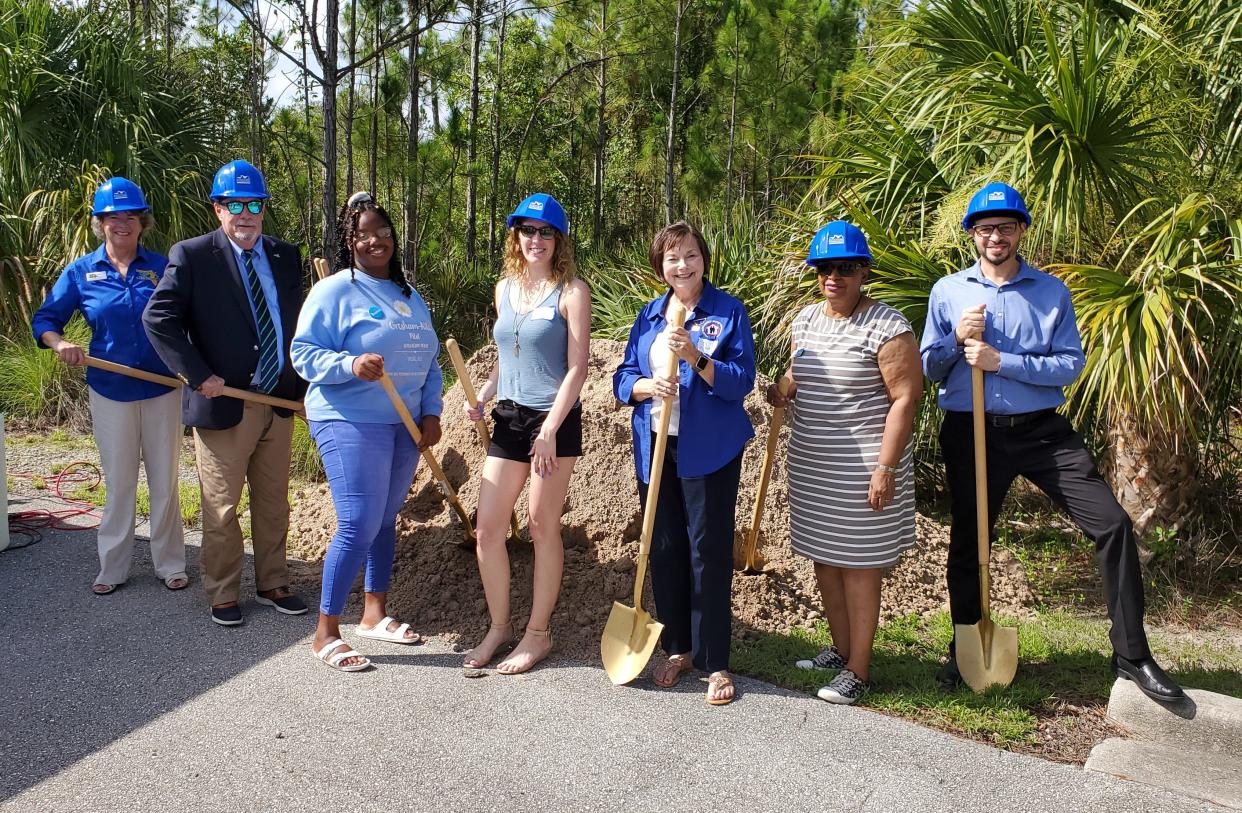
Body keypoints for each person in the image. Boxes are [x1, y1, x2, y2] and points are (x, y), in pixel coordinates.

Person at [921, 182, 1184, 703]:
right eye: (986, 227)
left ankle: (1132, 655)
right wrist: (956, 340)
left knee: (1112, 525)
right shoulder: (949, 292)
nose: (996, 236)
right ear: (972, 234)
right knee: (970, 540)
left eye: (1006, 226)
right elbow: (930, 366)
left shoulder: (1050, 293)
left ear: (1021, 231)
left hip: (1042, 431)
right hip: (971, 432)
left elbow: (1069, 364)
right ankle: (965, 644)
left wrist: (1002, 362)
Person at [143, 159, 309, 627]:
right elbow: (159, 319)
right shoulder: (193, 256)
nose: (245, 213)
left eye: (253, 203)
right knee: (222, 507)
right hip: (223, 403)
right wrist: (198, 375)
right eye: (234, 204)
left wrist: (299, 390)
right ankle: (222, 592)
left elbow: (294, 325)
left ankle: (274, 581)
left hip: (276, 402)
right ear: (218, 208)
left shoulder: (284, 255)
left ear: (263, 208)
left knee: (275, 500)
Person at [766, 221, 921, 705]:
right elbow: (796, 375)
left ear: (864, 271)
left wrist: (886, 467)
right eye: (825, 268)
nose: (834, 276)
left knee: (859, 566)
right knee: (825, 559)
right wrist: (780, 388)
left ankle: (859, 668)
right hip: (814, 463)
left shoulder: (889, 327)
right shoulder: (806, 320)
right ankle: (839, 648)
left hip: (863, 468)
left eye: (846, 268)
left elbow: (906, 398)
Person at [290, 192, 443, 671]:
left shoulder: (409, 296)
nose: (374, 240)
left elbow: (430, 361)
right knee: (358, 520)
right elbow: (303, 353)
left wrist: (433, 413)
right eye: (362, 233)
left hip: (404, 424)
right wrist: (349, 363)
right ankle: (325, 632)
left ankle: (373, 613)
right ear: (348, 241)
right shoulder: (334, 291)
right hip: (348, 418)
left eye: (381, 230)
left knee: (384, 518)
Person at [613, 221, 756, 705]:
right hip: (656, 446)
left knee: (707, 551)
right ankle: (678, 648)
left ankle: (715, 661)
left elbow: (740, 382)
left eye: (691, 255)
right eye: (673, 258)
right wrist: (644, 387)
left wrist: (695, 356)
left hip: (709, 448)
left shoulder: (728, 311)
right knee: (666, 548)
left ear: (704, 260)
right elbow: (623, 376)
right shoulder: (650, 314)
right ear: (661, 266)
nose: (683, 265)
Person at [32, 177, 187, 595]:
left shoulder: (162, 267)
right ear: (100, 223)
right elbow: (46, 320)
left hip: (162, 388)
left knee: (164, 479)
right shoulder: (82, 271)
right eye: (113, 216)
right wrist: (60, 342)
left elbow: (186, 319)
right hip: (110, 389)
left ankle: (170, 563)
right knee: (119, 481)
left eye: (130, 216)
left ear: (142, 222)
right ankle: (113, 566)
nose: (122, 223)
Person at [460, 193, 591, 674]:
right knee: (488, 528)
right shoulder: (504, 288)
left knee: (540, 523)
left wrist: (550, 430)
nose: (536, 240)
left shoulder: (572, 291)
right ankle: (499, 628)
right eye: (528, 231)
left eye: (546, 232)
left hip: (553, 419)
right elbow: (508, 358)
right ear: (516, 235)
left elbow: (578, 369)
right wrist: (485, 395)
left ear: (559, 240)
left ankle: (538, 634)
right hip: (511, 417)